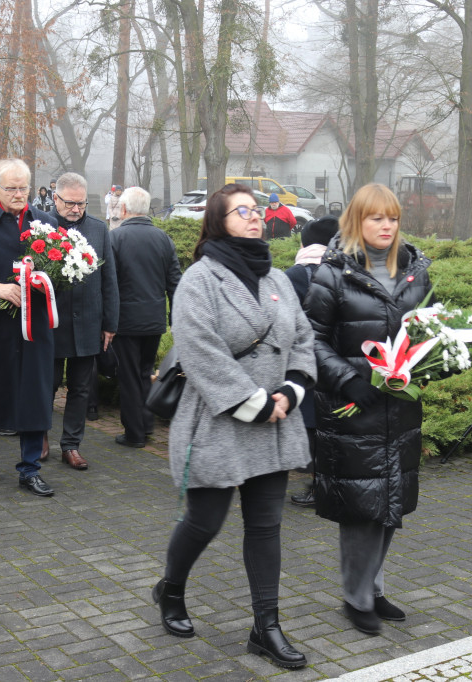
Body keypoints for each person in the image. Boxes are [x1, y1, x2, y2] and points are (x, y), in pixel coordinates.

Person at [153, 183, 315, 669]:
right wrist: (254, 403)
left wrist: (291, 391)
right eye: (240, 211)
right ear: (219, 221)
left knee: (266, 527)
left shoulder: (278, 279)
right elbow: (200, 351)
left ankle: (266, 628)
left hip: (276, 423)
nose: (253, 218)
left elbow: (303, 337)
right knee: (205, 521)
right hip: (219, 421)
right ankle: (171, 589)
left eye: (257, 210)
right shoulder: (200, 280)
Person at [304, 183, 430, 636]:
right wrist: (348, 380)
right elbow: (311, 339)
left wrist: (433, 362)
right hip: (353, 408)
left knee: (390, 501)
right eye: (376, 218)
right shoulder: (332, 273)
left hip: (399, 408)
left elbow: (425, 331)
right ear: (357, 221)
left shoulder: (416, 271)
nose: (386, 226)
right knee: (360, 505)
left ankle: (374, 588)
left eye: (392, 218)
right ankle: (355, 598)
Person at [0, 159, 58, 497]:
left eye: (24, 188)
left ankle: (30, 469)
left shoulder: (46, 223)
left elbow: (58, 273)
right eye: (12, 188)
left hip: (36, 328)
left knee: (35, 394)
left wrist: (47, 282)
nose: (19, 194)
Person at [47, 172, 119, 470]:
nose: (76, 209)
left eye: (81, 203)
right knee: (46, 385)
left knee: (80, 388)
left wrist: (110, 323)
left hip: (88, 323)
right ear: (55, 198)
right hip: (51, 323)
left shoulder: (99, 230)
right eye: (70, 203)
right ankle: (39, 436)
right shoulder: (41, 227)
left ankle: (71, 445)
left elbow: (110, 280)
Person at [110, 187, 181, 448]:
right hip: (153, 321)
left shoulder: (115, 238)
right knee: (145, 372)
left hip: (126, 322)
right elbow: (175, 282)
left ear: (125, 209)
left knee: (128, 377)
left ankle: (135, 434)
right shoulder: (164, 239)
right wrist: (175, 318)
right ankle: (146, 424)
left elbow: (110, 284)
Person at [284, 216, 339, 507]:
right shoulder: (347, 269)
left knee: (314, 425)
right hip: (343, 360)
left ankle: (320, 487)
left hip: (310, 361)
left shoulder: (296, 274)